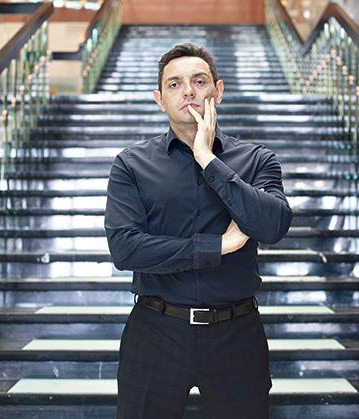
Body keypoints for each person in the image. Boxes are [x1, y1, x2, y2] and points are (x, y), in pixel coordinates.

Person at [105, 43, 293, 419]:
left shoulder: (257, 160)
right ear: (159, 99)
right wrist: (217, 245)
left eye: (199, 81)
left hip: (236, 332)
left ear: (217, 91)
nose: (188, 91)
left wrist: (207, 158)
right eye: (174, 84)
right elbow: (125, 249)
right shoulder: (131, 164)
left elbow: (272, 225)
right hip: (155, 331)